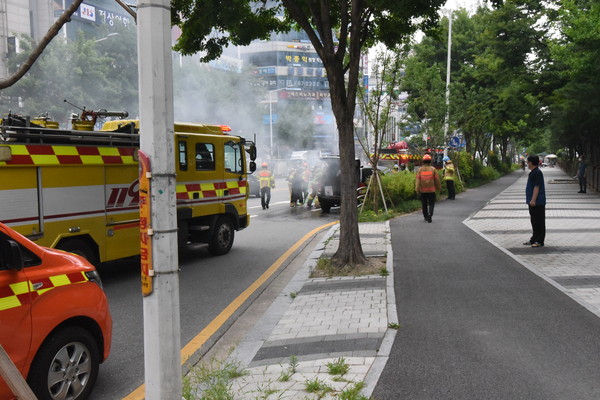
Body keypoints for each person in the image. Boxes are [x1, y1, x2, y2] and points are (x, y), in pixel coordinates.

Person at [524, 154, 546, 247]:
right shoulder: (533, 172)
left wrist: (533, 200)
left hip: (537, 201)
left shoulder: (537, 172)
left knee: (539, 221)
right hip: (532, 201)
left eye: (528, 162)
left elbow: (537, 187)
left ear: (531, 162)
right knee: (534, 221)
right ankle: (534, 238)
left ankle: (539, 241)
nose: (527, 163)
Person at [415, 154, 441, 223]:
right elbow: (437, 180)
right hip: (431, 190)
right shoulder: (433, 169)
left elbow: (418, 180)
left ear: (423, 161)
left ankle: (426, 216)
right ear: (430, 161)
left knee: (424, 204)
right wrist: (439, 187)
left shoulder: (420, 170)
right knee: (431, 203)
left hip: (423, 190)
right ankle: (430, 214)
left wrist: (417, 189)